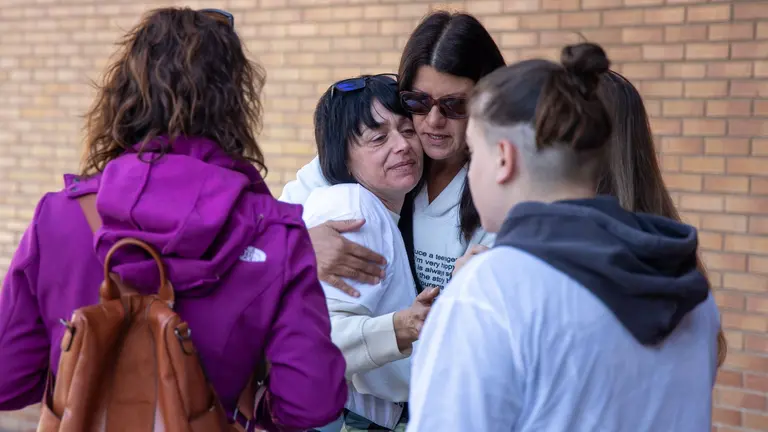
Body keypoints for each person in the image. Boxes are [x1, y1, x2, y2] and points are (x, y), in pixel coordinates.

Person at [0, 7, 347, 430]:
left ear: (125, 96)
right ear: (236, 104)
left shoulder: (58, 217)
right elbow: (310, 403)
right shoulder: (276, 234)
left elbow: (8, 382)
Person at [407, 43, 720, 431]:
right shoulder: (686, 284)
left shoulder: (491, 292)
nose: (470, 172)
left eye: (474, 152)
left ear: (504, 158)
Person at [279, 11, 506, 295]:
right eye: (419, 101)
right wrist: (302, 244)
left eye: (454, 105)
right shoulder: (378, 156)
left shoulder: (501, 185)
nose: (434, 120)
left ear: (488, 103)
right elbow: (266, 227)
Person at [303, 74, 439, 432]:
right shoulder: (353, 207)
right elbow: (317, 342)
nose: (402, 146)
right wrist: (405, 325)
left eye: (407, 130)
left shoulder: (377, 206)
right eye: (378, 138)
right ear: (342, 158)